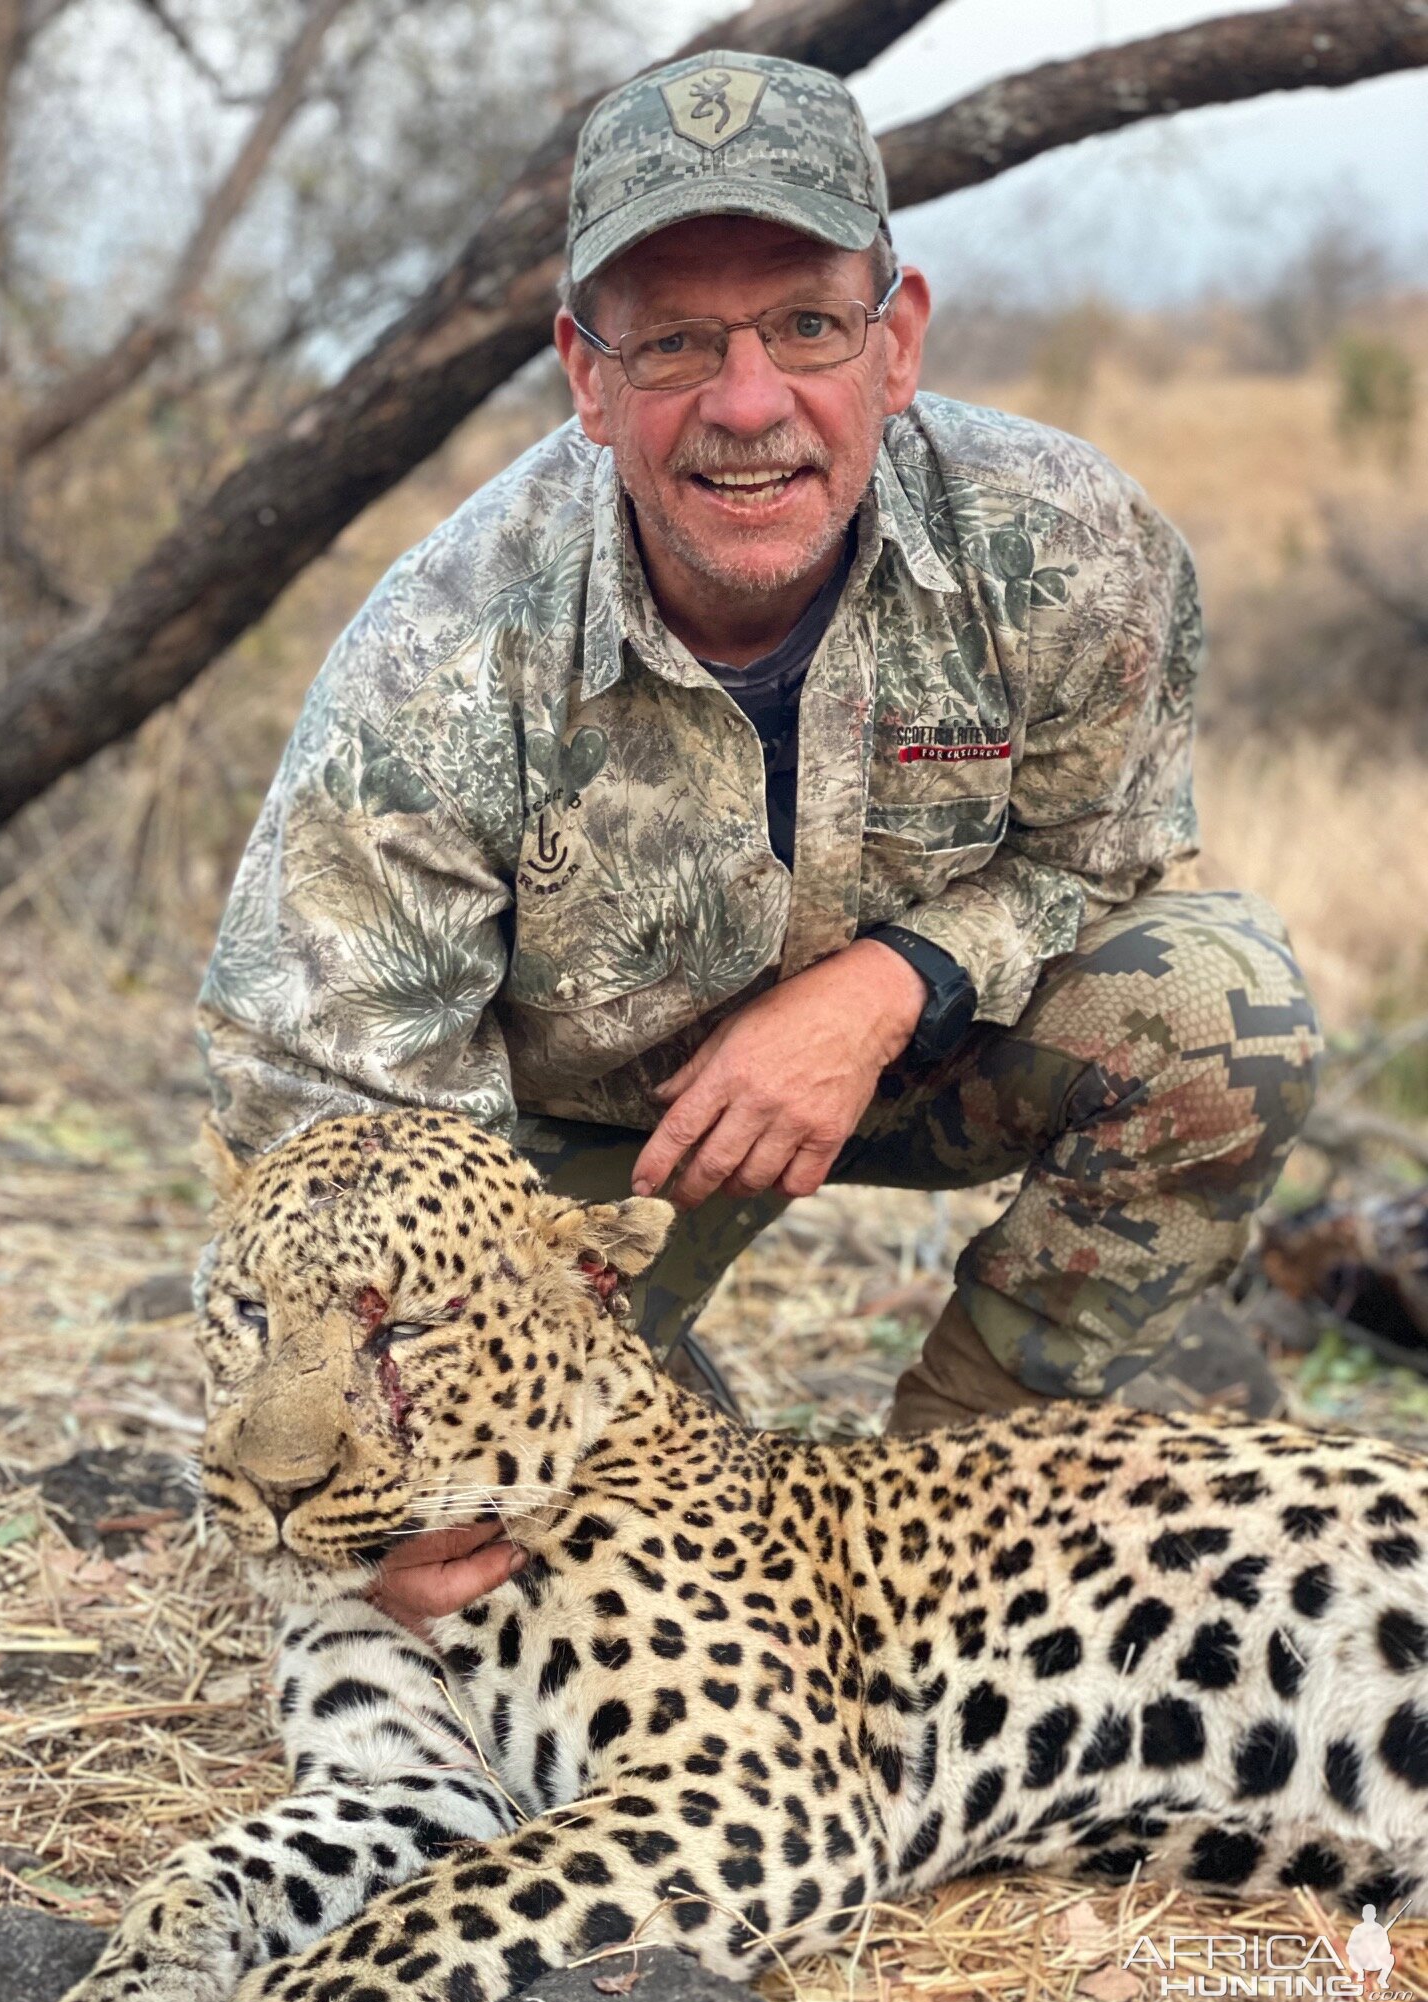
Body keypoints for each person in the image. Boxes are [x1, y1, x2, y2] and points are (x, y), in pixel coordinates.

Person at [197, 51, 1321, 1626]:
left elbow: (1102, 851)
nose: (747, 404)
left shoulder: (1074, 549)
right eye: (672, 343)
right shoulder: (445, 652)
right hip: (578, 1163)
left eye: (805, 324)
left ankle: (976, 1497)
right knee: (630, 1591)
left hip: (931, 1051)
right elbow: (319, 1084)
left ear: (897, 339)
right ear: (587, 379)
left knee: (1226, 1007)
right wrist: (422, 1425)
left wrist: (885, 989)